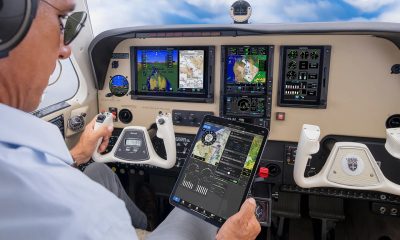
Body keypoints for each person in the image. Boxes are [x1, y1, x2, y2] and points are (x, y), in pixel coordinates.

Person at [0, 0, 261, 239]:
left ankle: (145, 224)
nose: (66, 49)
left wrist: (78, 153)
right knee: (197, 208)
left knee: (97, 171)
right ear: (10, 20)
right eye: (61, 22)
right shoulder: (85, 218)